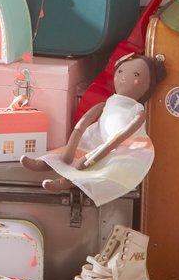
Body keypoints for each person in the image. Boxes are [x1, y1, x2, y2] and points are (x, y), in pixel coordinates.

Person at [21, 54, 165, 207]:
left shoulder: (137, 110)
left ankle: (65, 182)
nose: (124, 77)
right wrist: (71, 145)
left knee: (104, 171)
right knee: (67, 153)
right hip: (97, 139)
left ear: (148, 85)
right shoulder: (108, 102)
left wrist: (93, 157)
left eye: (136, 75)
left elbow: (123, 135)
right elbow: (82, 124)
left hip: (120, 149)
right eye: (121, 71)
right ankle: (42, 163)